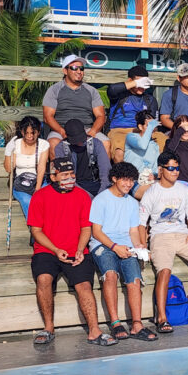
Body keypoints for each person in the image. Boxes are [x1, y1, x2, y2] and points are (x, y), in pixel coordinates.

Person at [28, 157, 117, 346]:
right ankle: (49, 328)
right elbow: (36, 230)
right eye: (65, 174)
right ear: (53, 176)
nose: (70, 178)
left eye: (72, 174)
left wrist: (79, 249)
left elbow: (86, 228)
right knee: (44, 279)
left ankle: (94, 330)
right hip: (47, 249)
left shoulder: (82, 196)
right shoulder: (40, 196)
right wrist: (55, 249)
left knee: (84, 285)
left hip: (76, 250)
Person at [139, 151, 188, 333]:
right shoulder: (151, 192)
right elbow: (141, 223)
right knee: (164, 271)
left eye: (177, 168)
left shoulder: (183, 189)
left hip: (182, 234)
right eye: (171, 168)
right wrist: (143, 246)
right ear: (160, 170)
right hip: (160, 236)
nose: (175, 172)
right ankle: (162, 317)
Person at [89, 162, 157, 341]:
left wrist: (140, 246)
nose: (129, 184)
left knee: (135, 279)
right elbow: (96, 232)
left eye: (131, 181)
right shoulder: (100, 200)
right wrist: (114, 247)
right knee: (110, 275)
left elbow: (133, 231)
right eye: (125, 180)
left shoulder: (133, 203)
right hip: (103, 244)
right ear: (114, 179)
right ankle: (115, 323)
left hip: (126, 246)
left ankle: (137, 324)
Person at [42, 54, 110, 158]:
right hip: (61, 129)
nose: (79, 71)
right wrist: (63, 132)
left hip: (86, 129)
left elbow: (101, 116)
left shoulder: (91, 91)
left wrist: (92, 132)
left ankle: (102, 169)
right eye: (74, 68)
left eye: (81, 68)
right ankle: (57, 169)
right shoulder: (54, 90)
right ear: (65, 71)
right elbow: (48, 117)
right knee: (53, 144)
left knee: (105, 143)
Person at [106, 65, 166, 162]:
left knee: (163, 142)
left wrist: (149, 127)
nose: (142, 85)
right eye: (140, 82)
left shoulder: (150, 99)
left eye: (144, 82)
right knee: (119, 152)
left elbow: (154, 124)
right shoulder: (119, 96)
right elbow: (111, 89)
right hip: (120, 131)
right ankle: (121, 171)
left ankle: (157, 171)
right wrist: (136, 83)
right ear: (130, 81)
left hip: (143, 131)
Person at [3, 116, 50, 219]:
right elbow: (9, 169)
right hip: (21, 184)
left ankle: (50, 226)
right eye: (26, 133)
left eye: (33, 133)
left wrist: (37, 189)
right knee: (27, 201)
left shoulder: (44, 144)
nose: (30, 136)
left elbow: (41, 167)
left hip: (39, 181)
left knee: (48, 199)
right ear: (22, 132)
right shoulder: (16, 144)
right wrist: (8, 152)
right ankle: (34, 227)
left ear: (38, 131)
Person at [55, 118, 111, 197]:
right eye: (75, 140)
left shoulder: (96, 143)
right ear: (67, 136)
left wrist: (101, 195)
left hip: (94, 184)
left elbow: (105, 171)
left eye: (81, 138)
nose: (80, 142)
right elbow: (64, 177)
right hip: (73, 186)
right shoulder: (61, 148)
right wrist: (87, 197)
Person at [124, 110, 161, 199]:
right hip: (132, 180)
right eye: (148, 125)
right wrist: (151, 126)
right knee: (154, 195)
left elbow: (155, 167)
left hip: (148, 181)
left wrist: (154, 175)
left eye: (153, 125)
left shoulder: (155, 145)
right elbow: (142, 145)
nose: (151, 128)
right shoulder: (131, 137)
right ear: (140, 126)